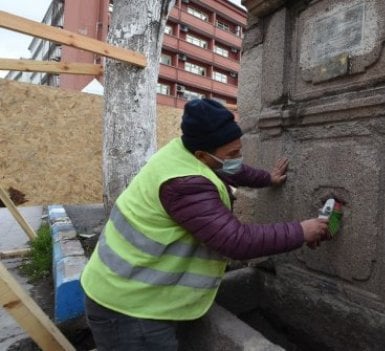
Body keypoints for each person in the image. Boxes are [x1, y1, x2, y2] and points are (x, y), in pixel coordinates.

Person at [80, 98, 329, 350]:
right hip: (129, 310)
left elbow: (230, 169)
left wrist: (268, 178)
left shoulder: (186, 153)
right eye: (233, 153)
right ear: (202, 155)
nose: (239, 157)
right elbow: (236, 241)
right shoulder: (184, 183)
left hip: (130, 291)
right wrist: (301, 231)